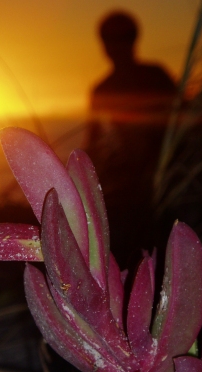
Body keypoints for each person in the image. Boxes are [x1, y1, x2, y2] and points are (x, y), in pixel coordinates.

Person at [85, 11, 177, 264]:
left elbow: (182, 121)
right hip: (129, 177)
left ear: (134, 39)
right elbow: (93, 143)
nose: (116, 45)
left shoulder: (155, 75)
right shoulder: (102, 90)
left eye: (123, 37)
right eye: (110, 38)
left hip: (167, 169)